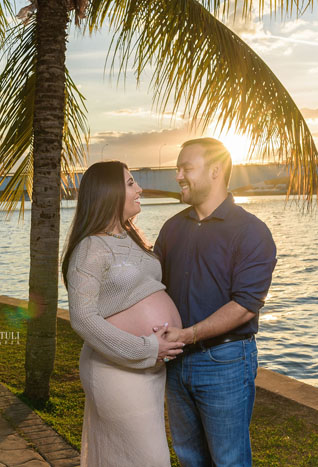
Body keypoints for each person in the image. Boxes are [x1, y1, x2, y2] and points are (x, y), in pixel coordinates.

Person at [154, 138, 277, 467]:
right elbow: (152, 288)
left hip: (225, 362)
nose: (178, 176)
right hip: (176, 362)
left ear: (216, 171)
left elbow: (246, 305)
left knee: (229, 461)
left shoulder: (252, 231)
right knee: (189, 459)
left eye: (186, 168)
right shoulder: (171, 228)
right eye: (177, 169)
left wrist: (188, 334)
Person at [62, 161, 185, 467]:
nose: (140, 189)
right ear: (109, 192)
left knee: (130, 459)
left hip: (148, 372)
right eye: (131, 183)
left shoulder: (131, 239)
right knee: (150, 460)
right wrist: (147, 347)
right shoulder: (91, 248)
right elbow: (82, 317)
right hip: (116, 371)